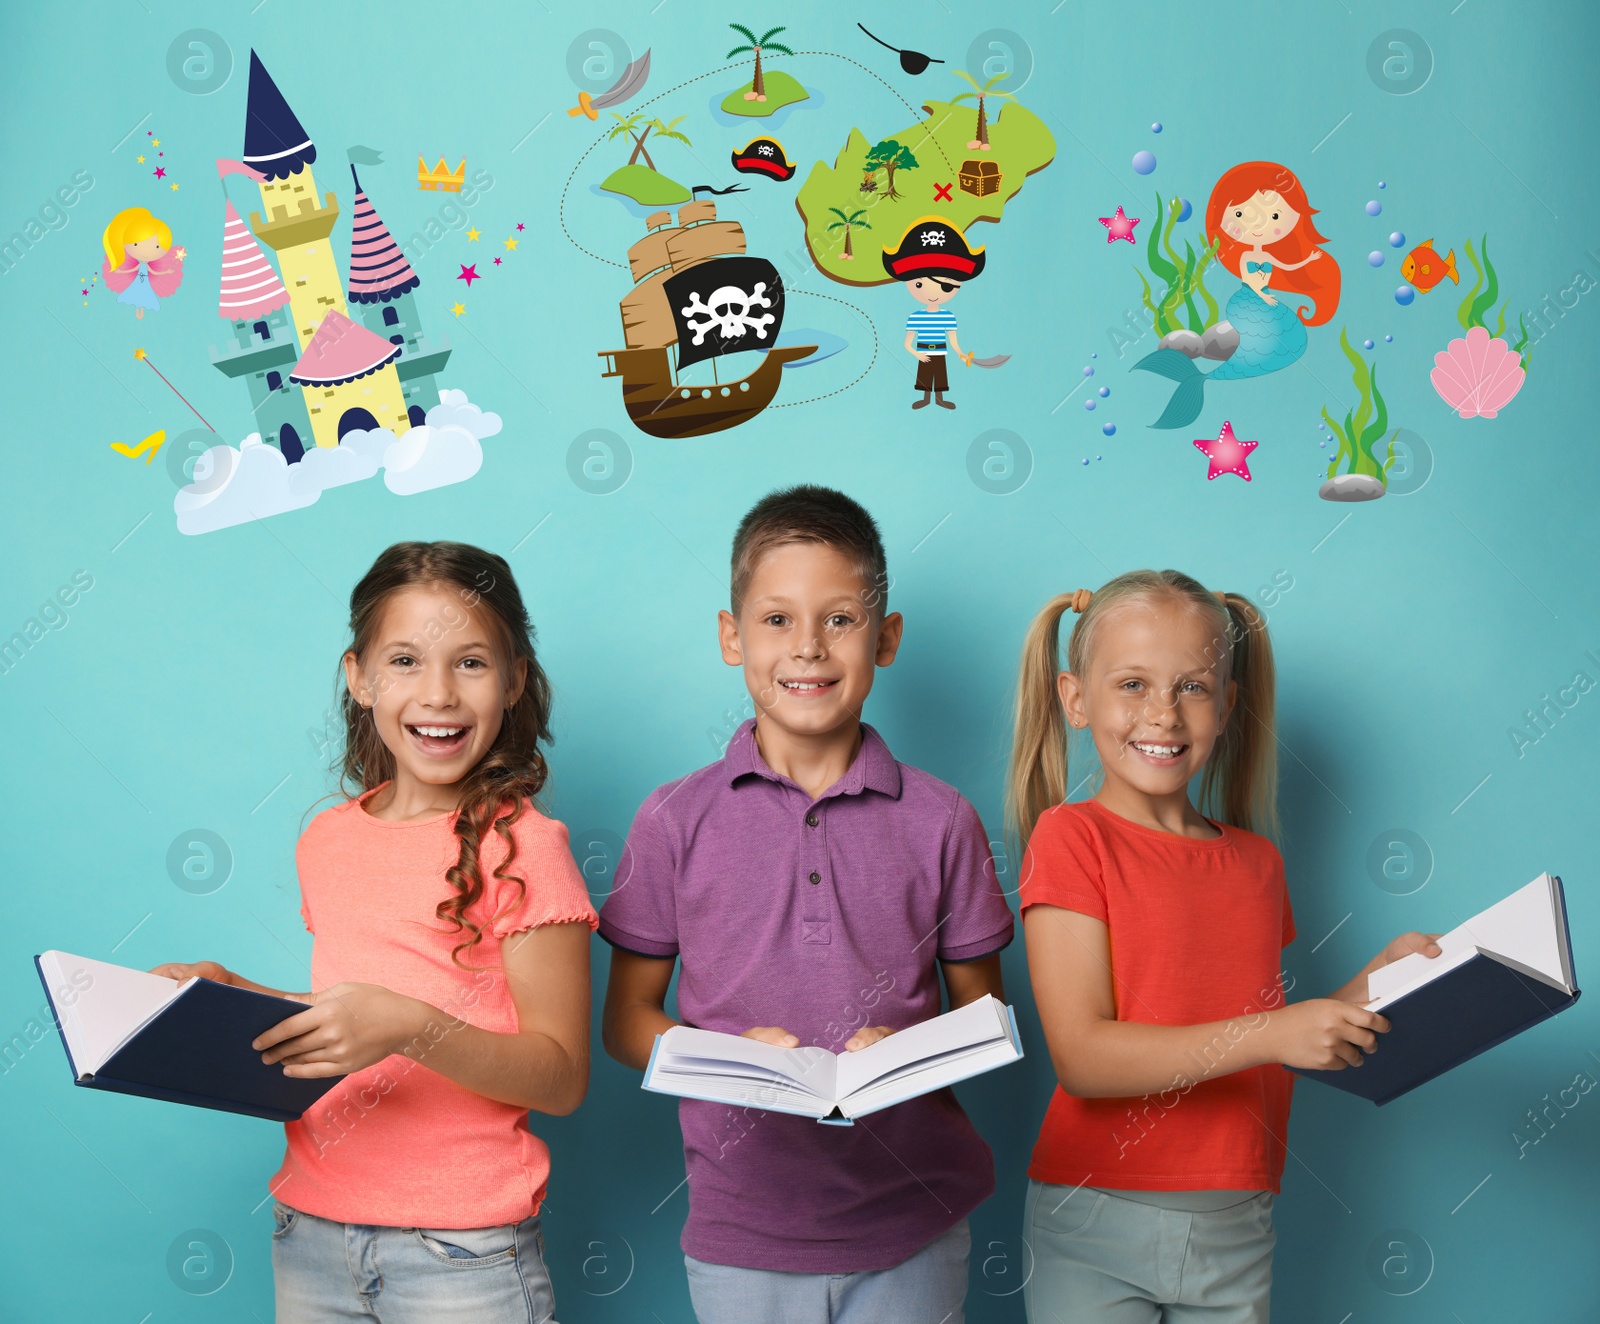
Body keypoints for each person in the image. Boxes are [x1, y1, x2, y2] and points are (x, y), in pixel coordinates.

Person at [600, 485, 1015, 1323]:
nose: (810, 648)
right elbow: (625, 1023)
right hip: (741, 1231)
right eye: (777, 620)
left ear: (886, 638)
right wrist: (732, 1060)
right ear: (732, 637)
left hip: (914, 1226)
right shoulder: (673, 818)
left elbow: (989, 1016)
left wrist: (901, 1051)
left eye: (841, 619)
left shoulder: (944, 819)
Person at [152, 542, 595, 1324]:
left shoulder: (524, 844)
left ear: (516, 678)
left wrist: (410, 1027)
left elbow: (561, 1078)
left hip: (463, 1254)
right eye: (404, 661)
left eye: (470, 663)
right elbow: (352, 1012)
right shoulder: (327, 838)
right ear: (359, 677)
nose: (438, 694)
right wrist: (236, 997)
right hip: (311, 1233)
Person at [1007, 571, 1440, 1322]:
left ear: (1228, 705)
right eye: (1133, 684)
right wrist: (1277, 1029)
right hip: (1096, 1214)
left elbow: (1270, 1035)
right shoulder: (1071, 839)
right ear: (1075, 699)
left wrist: (1370, 987)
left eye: (1194, 688)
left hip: (1238, 1220)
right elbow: (1083, 1056)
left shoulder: (1257, 863)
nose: (1163, 714)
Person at [1133, 162, 1341, 428]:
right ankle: (1201, 372)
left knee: (1287, 339)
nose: (1258, 225)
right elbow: (1252, 281)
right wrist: (1264, 298)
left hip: (1264, 300)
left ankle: (1200, 376)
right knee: (1272, 339)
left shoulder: (1265, 253)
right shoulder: (1245, 256)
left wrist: (1308, 259)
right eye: (1241, 214)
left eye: (1275, 216)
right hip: (1249, 302)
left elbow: (1287, 266)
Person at [883, 216, 985, 410]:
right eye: (919, 284)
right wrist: (916, 354)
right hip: (923, 351)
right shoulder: (915, 317)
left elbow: (953, 340)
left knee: (940, 378)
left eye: (945, 286)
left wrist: (961, 354)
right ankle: (925, 398)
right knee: (924, 378)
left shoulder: (948, 317)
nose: (931, 293)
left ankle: (939, 399)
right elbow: (907, 343)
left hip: (940, 351)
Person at [101, 206, 185, 318]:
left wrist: (166, 272)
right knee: (137, 295)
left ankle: (141, 311)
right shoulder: (139, 265)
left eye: (156, 247)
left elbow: (154, 272)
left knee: (143, 296)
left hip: (144, 282)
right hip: (139, 281)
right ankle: (138, 310)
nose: (146, 253)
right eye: (136, 244)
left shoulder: (145, 265)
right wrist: (120, 271)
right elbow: (133, 269)